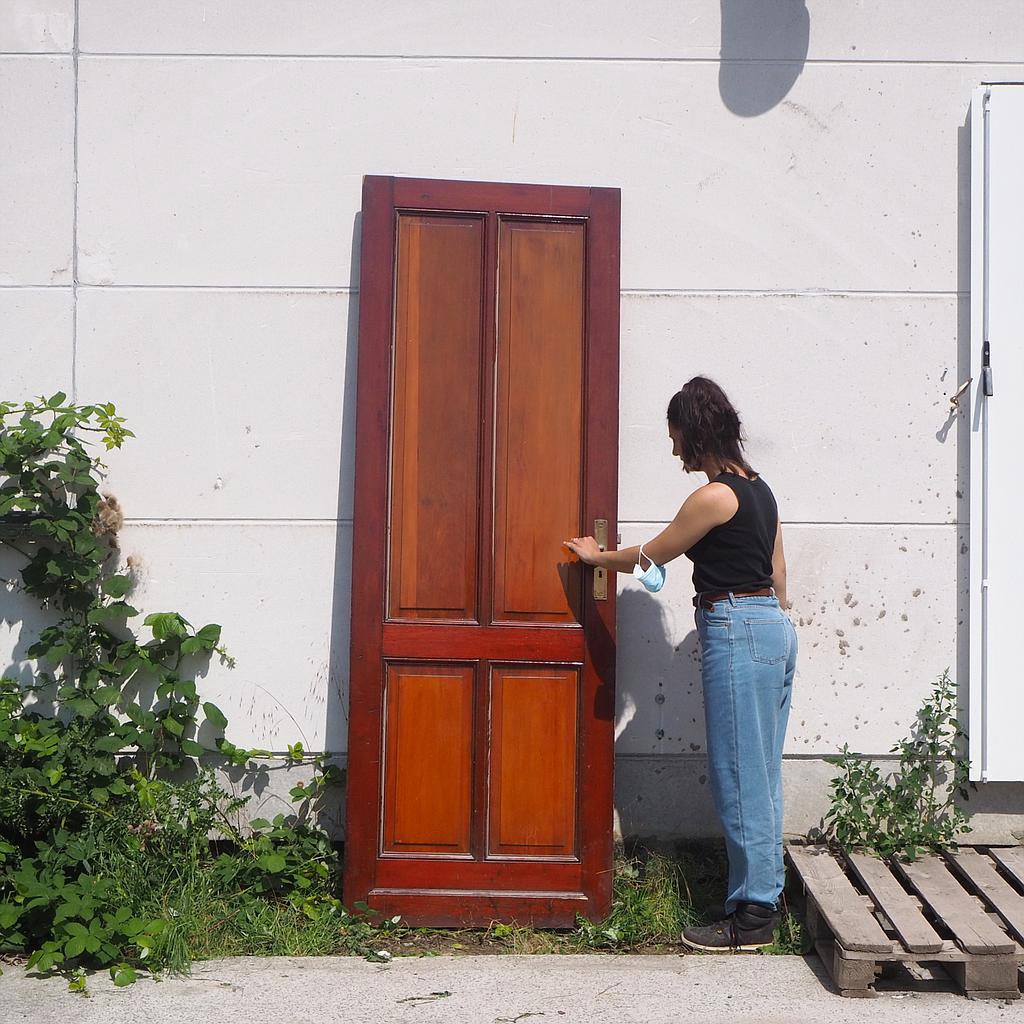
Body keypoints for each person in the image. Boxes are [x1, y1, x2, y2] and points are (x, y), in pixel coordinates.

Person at [564, 375, 797, 952]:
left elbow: (653, 556)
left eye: (675, 438)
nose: (672, 451)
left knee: (739, 776)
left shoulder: (715, 495)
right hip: (770, 626)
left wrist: (597, 556)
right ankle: (764, 895)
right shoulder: (760, 489)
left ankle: (752, 919)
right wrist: (766, 619)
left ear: (694, 433)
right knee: (760, 772)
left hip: (739, 628)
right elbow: (779, 574)